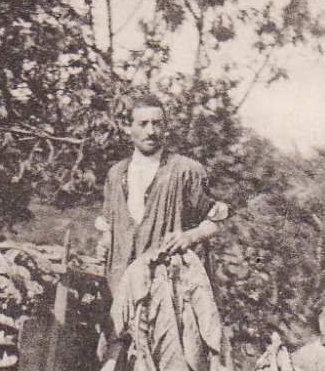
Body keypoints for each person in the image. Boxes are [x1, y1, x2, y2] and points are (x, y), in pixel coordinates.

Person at [95, 93, 228, 301]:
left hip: (169, 289)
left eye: (157, 124)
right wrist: (105, 242)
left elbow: (215, 221)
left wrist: (190, 236)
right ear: (128, 127)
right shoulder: (116, 174)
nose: (151, 131)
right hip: (121, 287)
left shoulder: (187, 171)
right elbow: (110, 226)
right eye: (143, 124)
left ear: (165, 127)